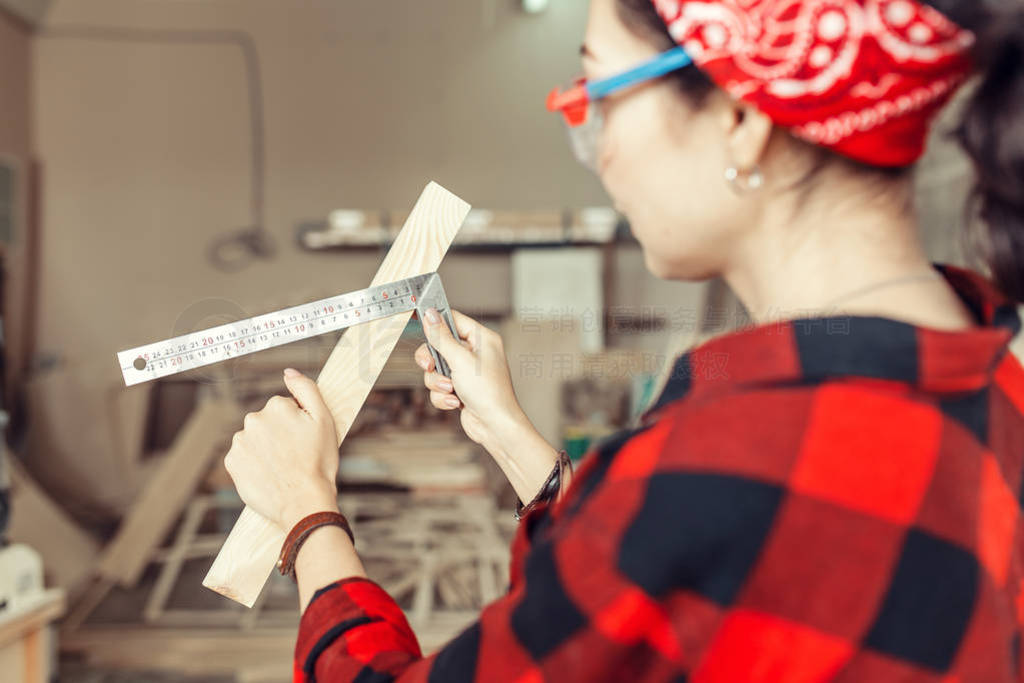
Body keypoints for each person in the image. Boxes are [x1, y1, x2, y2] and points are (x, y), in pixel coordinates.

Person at [222, 0, 1024, 680]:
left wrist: (307, 511)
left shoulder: (730, 465)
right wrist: (513, 438)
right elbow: (668, 581)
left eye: (600, 95)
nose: (597, 148)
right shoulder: (993, 372)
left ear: (742, 118)